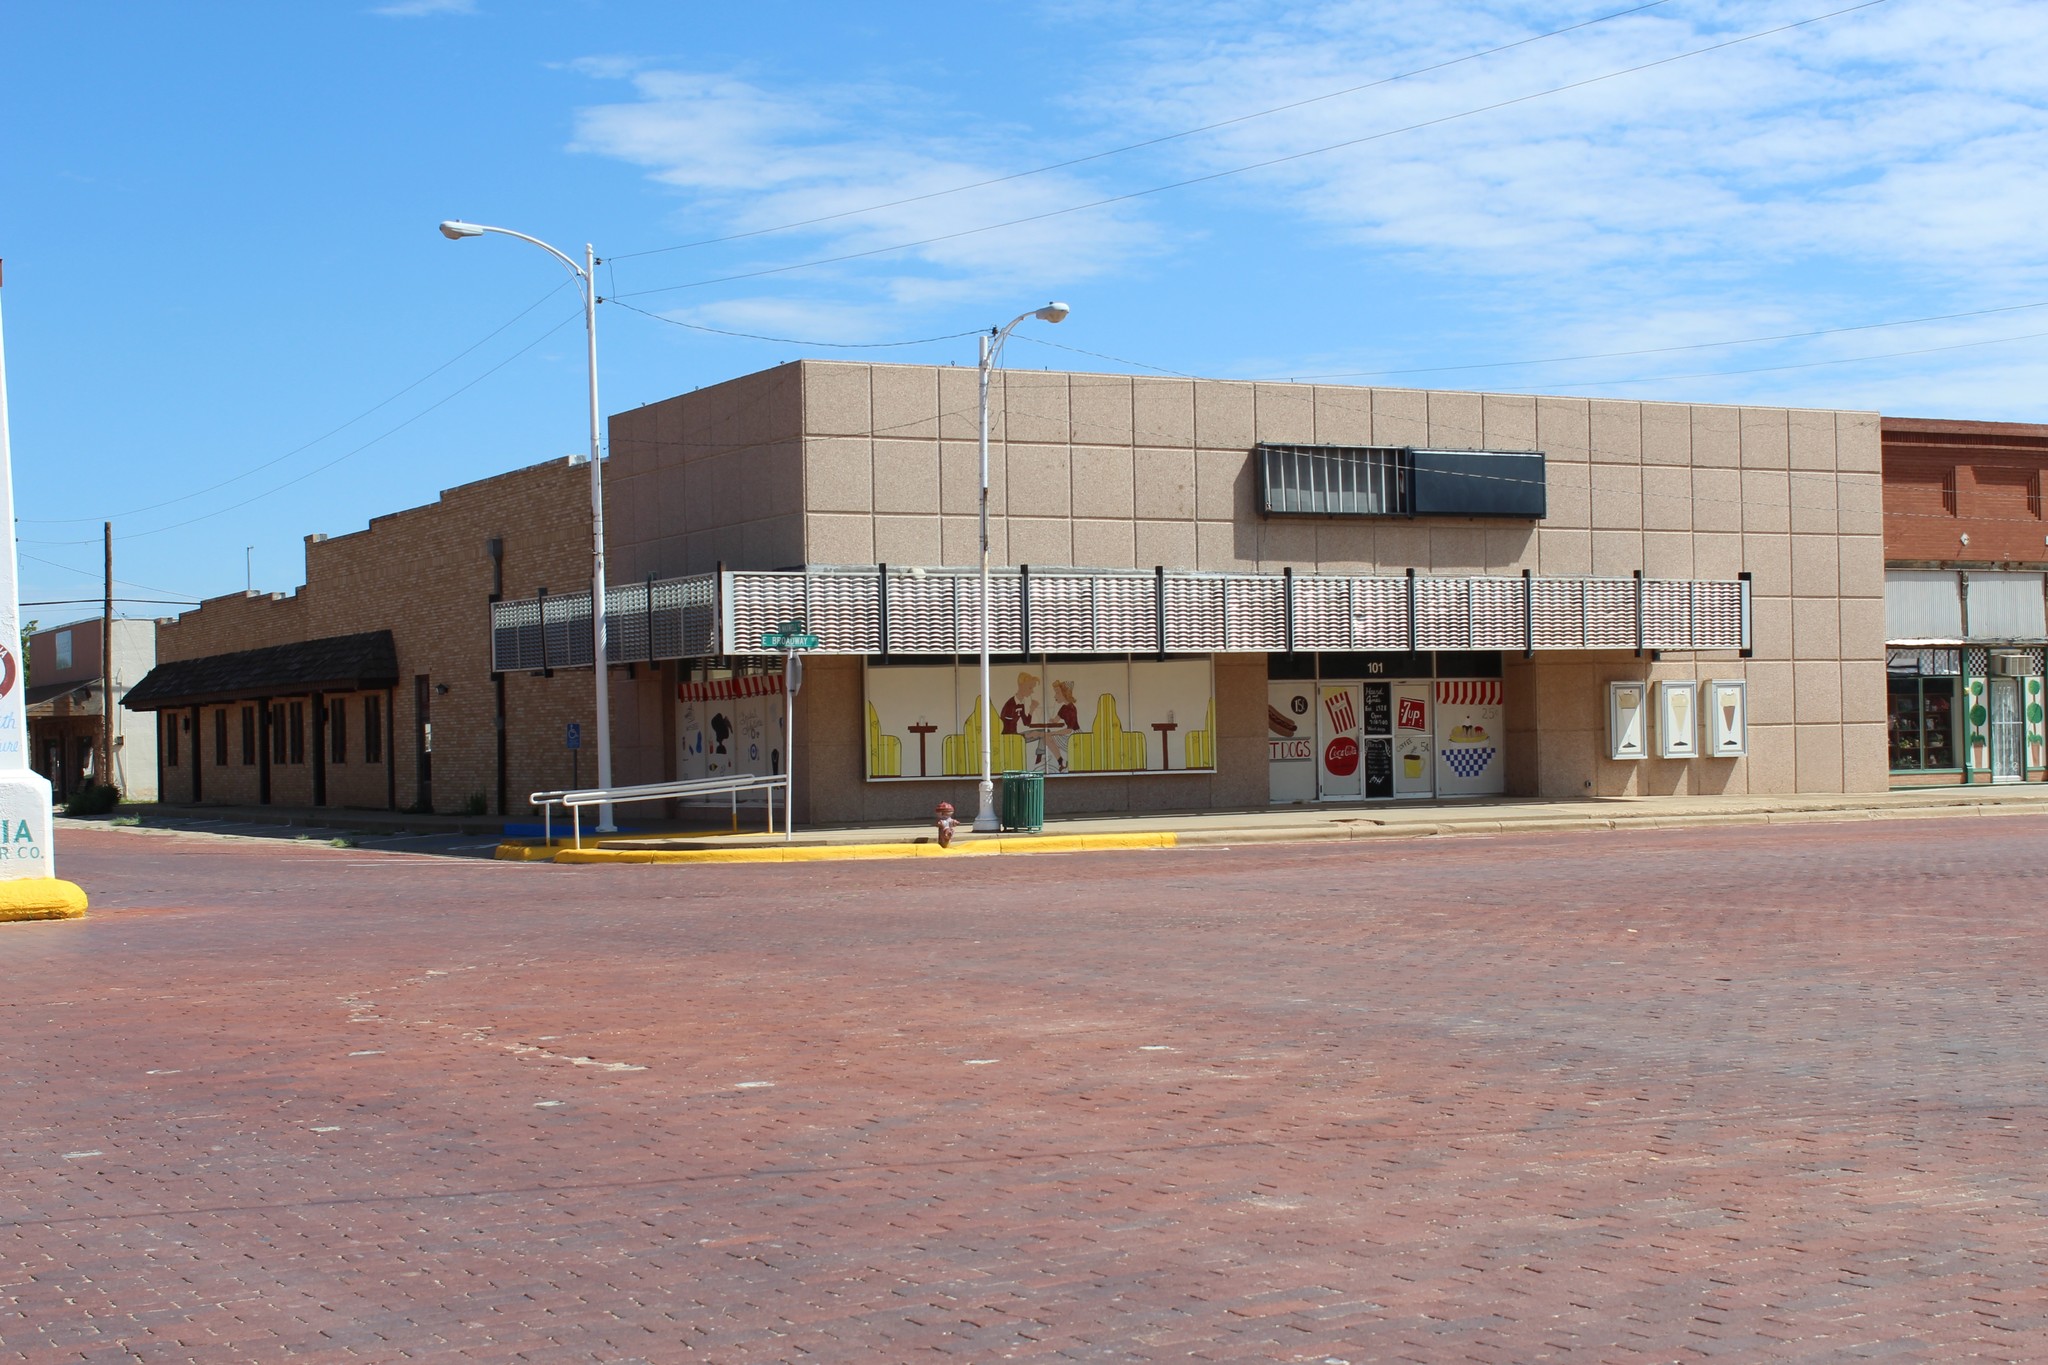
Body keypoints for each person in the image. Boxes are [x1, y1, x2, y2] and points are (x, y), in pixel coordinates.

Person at [1042, 679, 1081, 773]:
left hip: (1074, 735)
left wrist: (1054, 733)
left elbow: (1069, 730)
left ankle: (1062, 762)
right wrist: (1050, 719)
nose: (1055, 696)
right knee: (1046, 736)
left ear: (1065, 694)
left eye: (1058, 693)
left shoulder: (1071, 709)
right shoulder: (1063, 708)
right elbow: (1055, 720)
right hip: (1068, 733)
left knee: (1047, 736)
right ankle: (1061, 761)